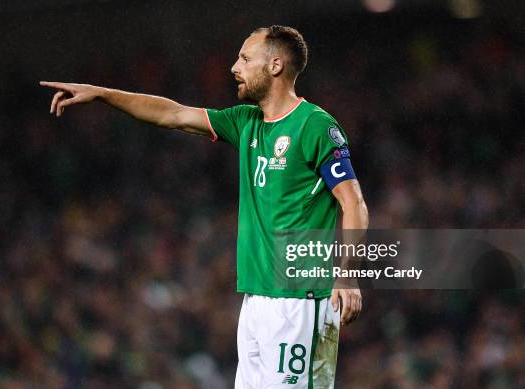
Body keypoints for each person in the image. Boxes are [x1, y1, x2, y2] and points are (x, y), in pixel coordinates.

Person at [41, 25, 368, 389]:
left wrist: (348, 274)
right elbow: (173, 114)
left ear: (275, 65)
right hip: (257, 301)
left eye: (245, 58)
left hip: (300, 301)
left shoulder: (315, 126)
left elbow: (352, 201)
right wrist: (103, 94)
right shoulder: (245, 123)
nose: (234, 67)